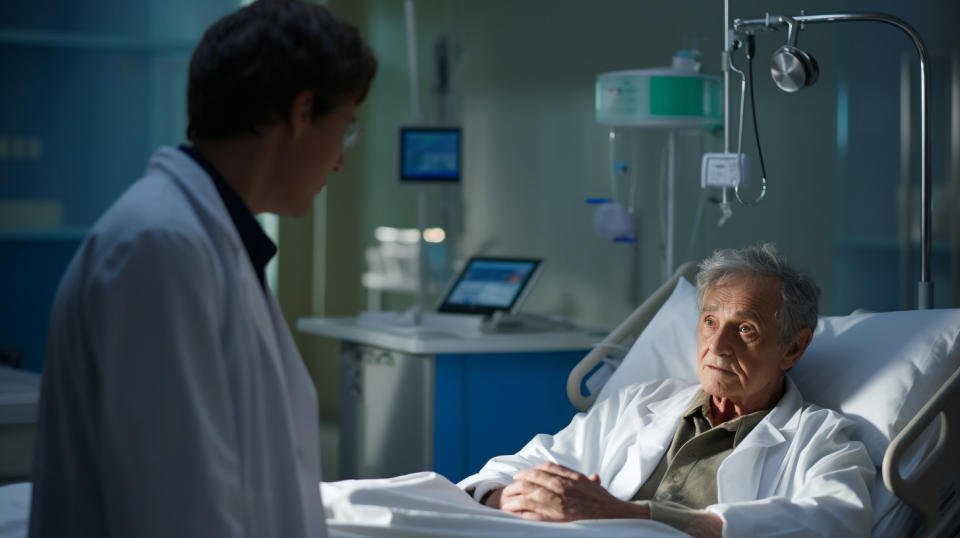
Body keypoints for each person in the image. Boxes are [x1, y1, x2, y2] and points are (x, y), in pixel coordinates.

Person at [28, 1, 376, 536]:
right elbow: (177, 512)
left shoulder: (206, 241)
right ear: (301, 112)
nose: (340, 160)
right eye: (346, 128)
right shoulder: (162, 248)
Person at [458, 244, 875, 537]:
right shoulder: (641, 402)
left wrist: (629, 515)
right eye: (710, 321)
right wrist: (507, 497)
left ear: (793, 347)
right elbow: (525, 464)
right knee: (400, 502)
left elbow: (836, 521)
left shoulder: (821, 439)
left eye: (745, 329)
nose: (718, 345)